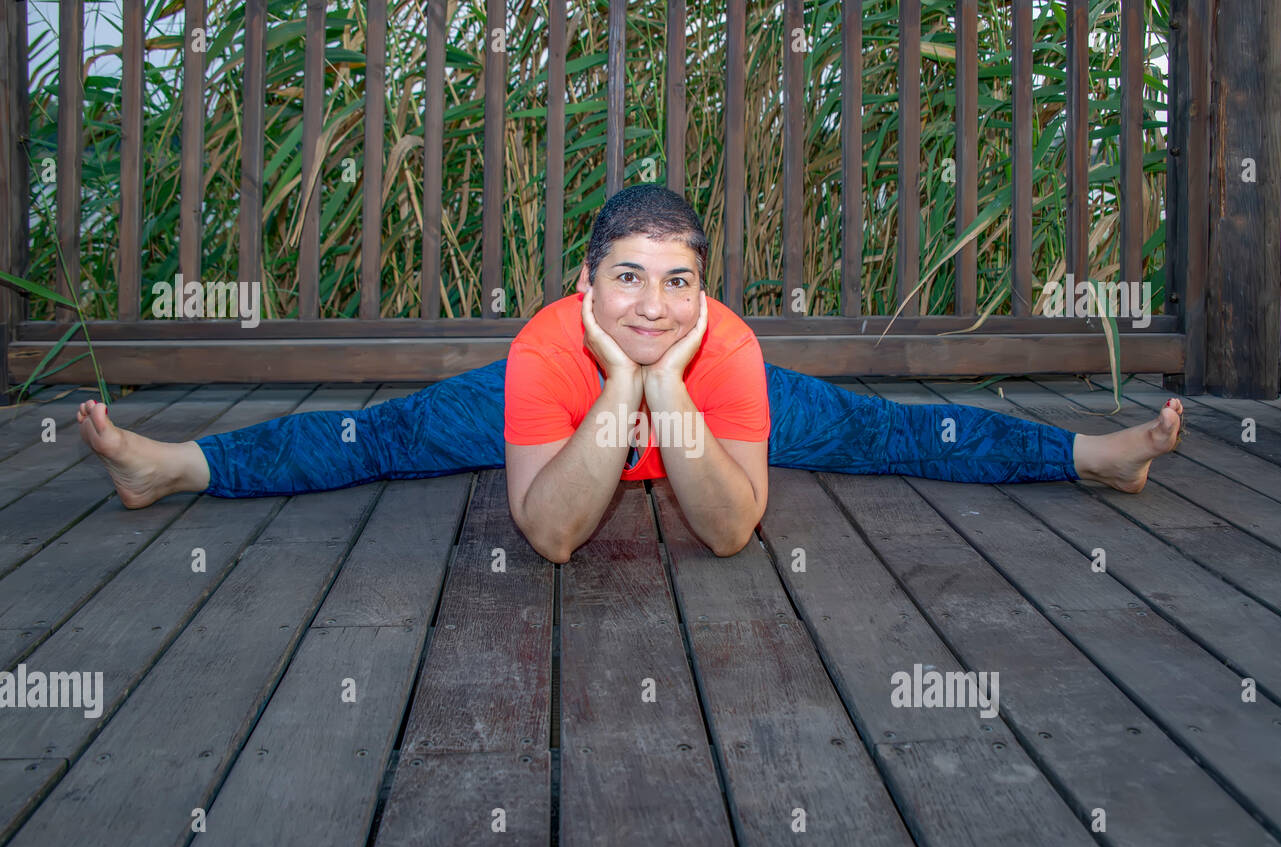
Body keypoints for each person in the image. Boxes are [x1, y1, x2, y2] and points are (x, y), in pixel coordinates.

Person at [75, 185, 1184, 563]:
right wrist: (619, 384)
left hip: (703, 413)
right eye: (627, 277)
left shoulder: (734, 347)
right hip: (565, 413)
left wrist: (668, 389)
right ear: (584, 283)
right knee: (380, 435)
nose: (652, 305)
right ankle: (170, 467)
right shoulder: (545, 349)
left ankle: (1092, 459)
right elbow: (551, 537)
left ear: (703, 290)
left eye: (676, 282)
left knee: (890, 429)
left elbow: (728, 533)